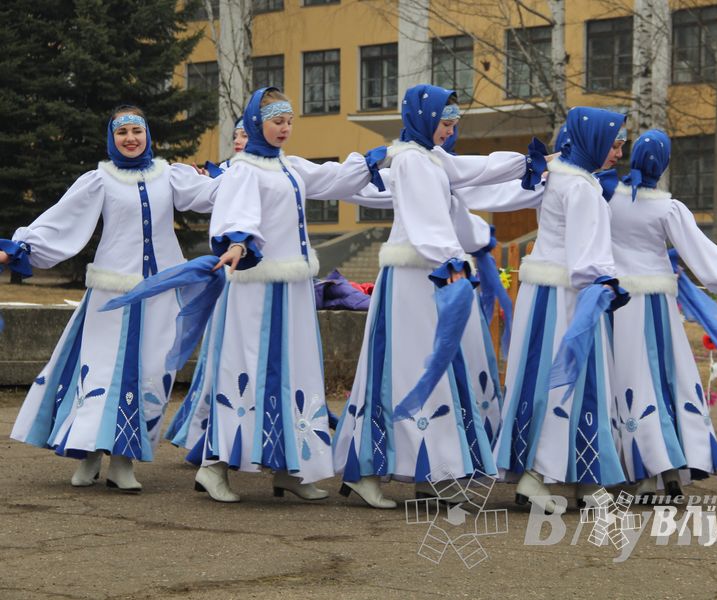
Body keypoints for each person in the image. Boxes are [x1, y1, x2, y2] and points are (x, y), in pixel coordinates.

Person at [332, 84, 540, 509]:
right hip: (415, 278)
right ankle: (366, 470)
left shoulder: (431, 157)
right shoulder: (410, 160)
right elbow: (426, 221)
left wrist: (530, 162)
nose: (449, 131)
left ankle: (429, 470)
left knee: (436, 370)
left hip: (433, 274)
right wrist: (453, 261)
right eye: (445, 123)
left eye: (453, 123)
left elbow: (472, 169)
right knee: (403, 370)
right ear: (425, 119)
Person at [181, 87, 384, 502]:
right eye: (277, 121)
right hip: (254, 287)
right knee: (247, 369)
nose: (284, 128)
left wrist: (373, 161)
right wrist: (237, 244)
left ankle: (290, 469)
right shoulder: (243, 170)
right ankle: (214, 466)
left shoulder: (291, 169)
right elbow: (236, 214)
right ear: (257, 122)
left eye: (289, 121)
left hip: (292, 289)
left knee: (295, 370)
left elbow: (334, 178)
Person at [1, 106, 218, 492]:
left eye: (137, 130)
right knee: (102, 371)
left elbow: (212, 195)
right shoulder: (99, 180)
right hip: (112, 293)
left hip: (161, 292)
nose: (130, 138)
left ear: (148, 135)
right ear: (112, 138)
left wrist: (242, 175)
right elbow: (62, 218)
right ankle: (88, 453)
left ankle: (123, 461)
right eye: (122, 133)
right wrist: (18, 248)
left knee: (150, 373)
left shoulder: (170, 176)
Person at [607, 129, 717, 500]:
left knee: (627, 376)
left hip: (617, 303)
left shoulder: (608, 197)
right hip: (655, 305)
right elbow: (703, 255)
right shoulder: (668, 208)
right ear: (663, 165)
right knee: (664, 376)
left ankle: (633, 462)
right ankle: (663, 468)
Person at [493, 107, 630, 514]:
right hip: (570, 297)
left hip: (549, 294)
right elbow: (588, 256)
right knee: (565, 381)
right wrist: (607, 284)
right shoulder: (581, 187)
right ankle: (539, 474)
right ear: (591, 142)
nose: (618, 153)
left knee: (554, 378)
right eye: (613, 144)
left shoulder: (565, 177)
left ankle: (582, 476)